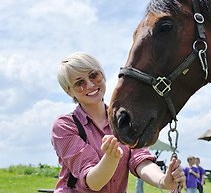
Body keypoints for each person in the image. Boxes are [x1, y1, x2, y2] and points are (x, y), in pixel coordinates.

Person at [51, 52, 184, 192]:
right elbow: (94, 182)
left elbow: (140, 160)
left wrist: (163, 181)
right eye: (79, 83)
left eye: (93, 75)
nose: (90, 85)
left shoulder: (125, 118)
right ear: (69, 92)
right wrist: (111, 158)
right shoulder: (64, 125)